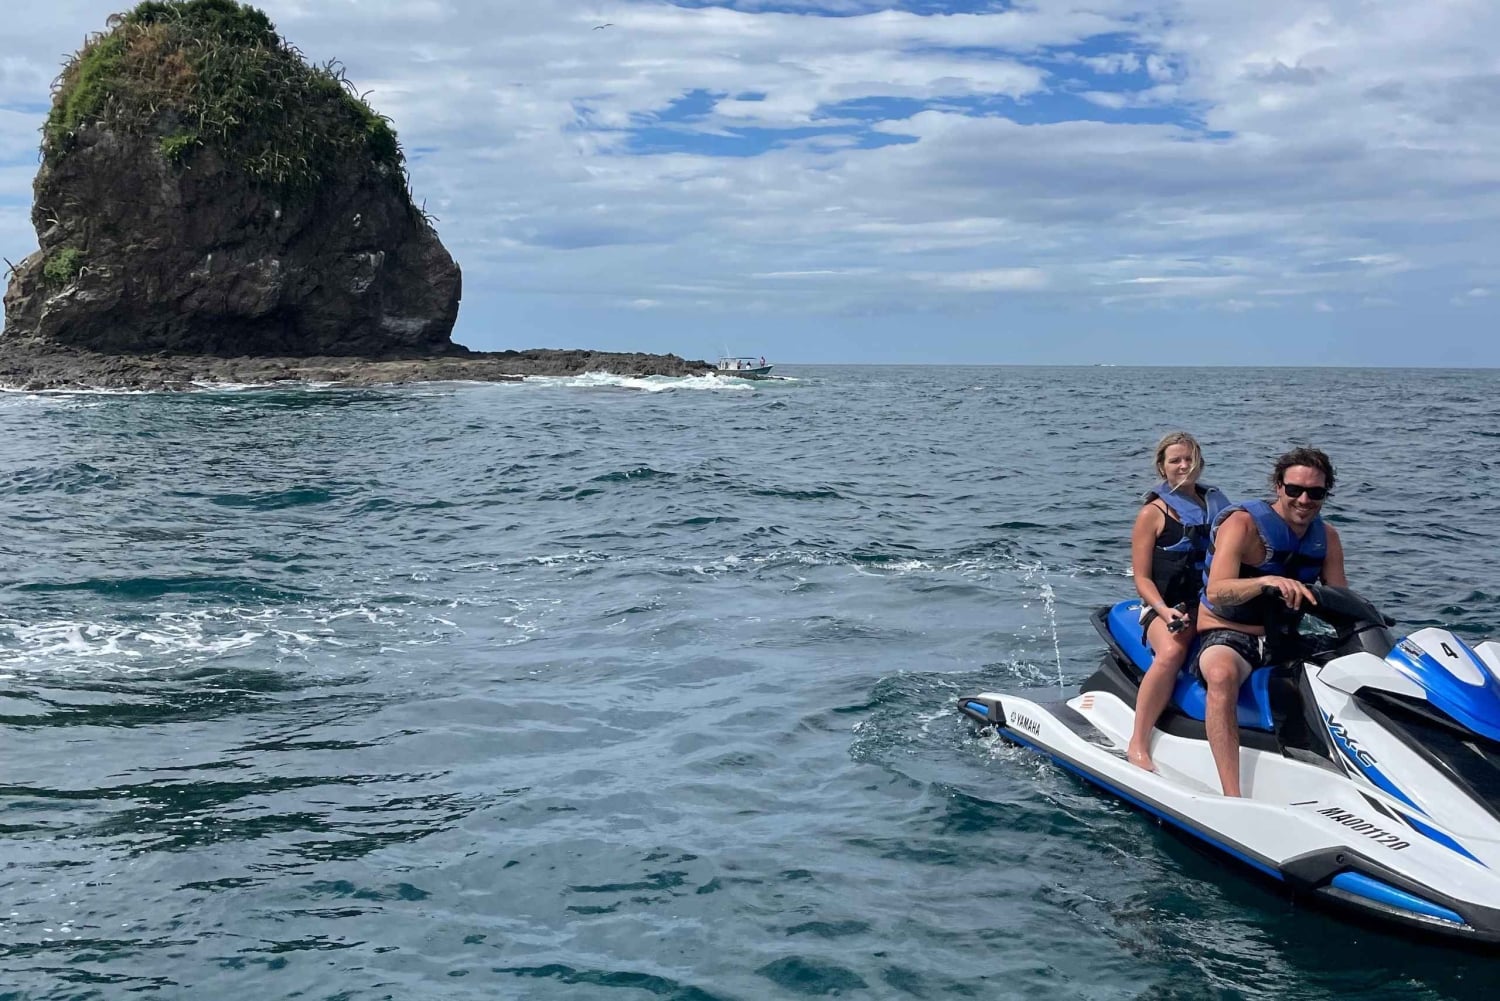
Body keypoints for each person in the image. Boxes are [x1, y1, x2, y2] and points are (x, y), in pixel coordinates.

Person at [1195, 446, 1347, 797]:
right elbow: (1217, 591)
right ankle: (1231, 793)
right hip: (1230, 632)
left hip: (1285, 637)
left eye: (1315, 492)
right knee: (1221, 675)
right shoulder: (1243, 525)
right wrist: (1265, 581)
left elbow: (1340, 600)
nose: (1304, 499)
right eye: (1294, 489)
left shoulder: (1328, 538)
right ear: (1279, 487)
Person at [1127, 432, 1231, 771]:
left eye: (1189, 458)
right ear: (1162, 467)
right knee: (1173, 650)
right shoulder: (1153, 514)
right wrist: (1163, 610)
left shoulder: (1219, 504)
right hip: (1163, 606)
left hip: (1210, 601)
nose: (1184, 465)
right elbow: (1141, 578)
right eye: (1175, 461)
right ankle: (1138, 742)